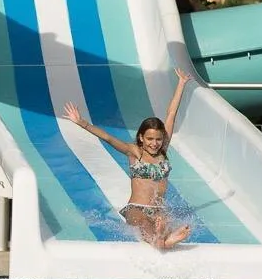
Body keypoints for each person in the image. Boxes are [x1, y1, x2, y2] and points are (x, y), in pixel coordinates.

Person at [61, 71, 193, 251]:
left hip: (157, 209)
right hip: (136, 209)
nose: (154, 144)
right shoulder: (134, 153)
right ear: (141, 138)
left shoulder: (163, 149)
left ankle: (164, 237)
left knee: (163, 221)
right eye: (149, 139)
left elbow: (171, 114)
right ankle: (164, 240)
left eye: (158, 139)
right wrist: (82, 122)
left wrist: (181, 83)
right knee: (149, 230)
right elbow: (108, 138)